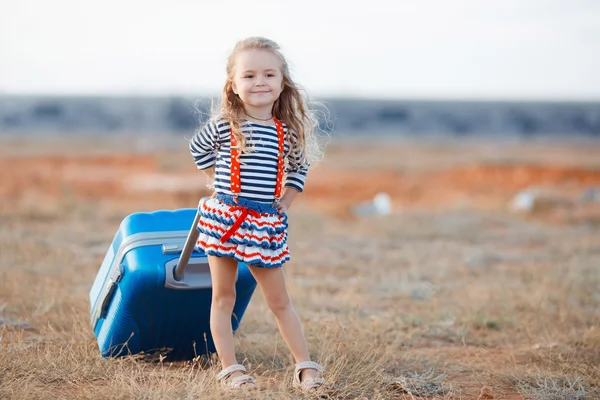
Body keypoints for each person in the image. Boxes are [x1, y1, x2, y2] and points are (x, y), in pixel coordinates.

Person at [188, 36, 326, 393]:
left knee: (279, 300)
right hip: (226, 220)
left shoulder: (286, 133)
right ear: (233, 85)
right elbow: (198, 150)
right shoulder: (225, 125)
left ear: (282, 84)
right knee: (224, 297)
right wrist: (217, 182)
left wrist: (286, 200)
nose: (259, 82)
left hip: (264, 223)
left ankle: (305, 367)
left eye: (268, 74)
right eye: (249, 75)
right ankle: (231, 369)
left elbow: (298, 169)